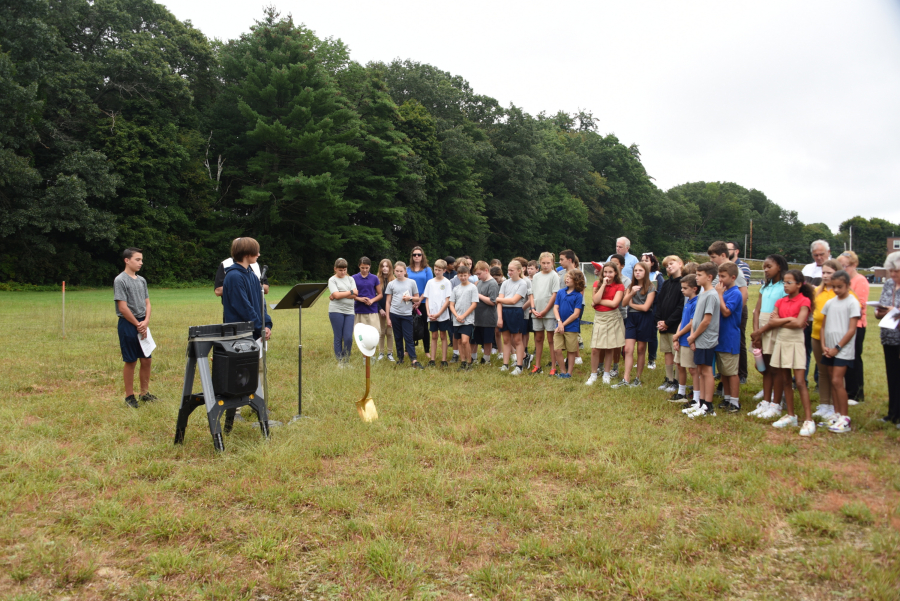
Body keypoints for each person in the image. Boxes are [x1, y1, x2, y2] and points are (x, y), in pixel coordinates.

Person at [222, 238, 273, 407]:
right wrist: (260, 327)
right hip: (239, 331)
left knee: (257, 368)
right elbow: (244, 307)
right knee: (239, 370)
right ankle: (234, 410)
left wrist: (267, 324)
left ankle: (257, 405)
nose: (258, 254)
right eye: (255, 251)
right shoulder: (234, 276)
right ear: (246, 253)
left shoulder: (252, 274)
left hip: (254, 331)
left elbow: (261, 303)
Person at [765, 270, 816, 435]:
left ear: (799, 284)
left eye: (789, 283)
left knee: (799, 381)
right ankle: (791, 415)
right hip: (781, 341)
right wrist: (788, 320)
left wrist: (781, 321)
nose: (785, 286)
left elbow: (800, 322)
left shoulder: (805, 301)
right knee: (785, 379)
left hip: (795, 342)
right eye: (784, 283)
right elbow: (772, 322)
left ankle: (808, 419)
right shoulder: (781, 301)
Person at [820, 270, 861, 434]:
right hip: (829, 349)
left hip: (842, 350)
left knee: (838, 381)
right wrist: (824, 346)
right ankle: (836, 414)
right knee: (832, 381)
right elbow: (823, 326)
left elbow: (851, 330)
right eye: (834, 286)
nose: (836, 290)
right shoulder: (830, 303)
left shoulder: (852, 303)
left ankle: (845, 418)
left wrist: (837, 348)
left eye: (840, 287)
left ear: (848, 285)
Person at [749, 255, 789, 418]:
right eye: (764, 267)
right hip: (761, 330)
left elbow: (779, 313)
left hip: (774, 329)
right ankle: (765, 402)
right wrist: (756, 332)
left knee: (775, 368)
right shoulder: (764, 287)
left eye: (769, 266)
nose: (765, 270)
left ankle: (776, 404)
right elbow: (757, 310)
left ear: (779, 267)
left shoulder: (783, 287)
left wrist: (761, 330)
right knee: (764, 368)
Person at [115, 247, 153, 408]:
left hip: (142, 324)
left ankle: (144, 393)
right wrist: (137, 324)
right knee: (131, 360)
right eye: (137, 259)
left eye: (141, 260)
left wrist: (145, 322)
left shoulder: (142, 280)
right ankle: (129, 397)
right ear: (127, 260)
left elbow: (147, 303)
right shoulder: (120, 280)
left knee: (146, 359)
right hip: (128, 324)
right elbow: (122, 307)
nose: (141, 263)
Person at [612, 261, 657, 388]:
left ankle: (637, 378)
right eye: (635, 270)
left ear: (646, 272)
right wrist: (631, 293)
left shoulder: (651, 288)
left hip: (645, 319)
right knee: (628, 349)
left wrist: (632, 304)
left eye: (640, 270)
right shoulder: (631, 286)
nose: (637, 273)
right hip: (631, 318)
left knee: (641, 349)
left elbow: (646, 307)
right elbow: (625, 303)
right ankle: (626, 379)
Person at [683, 262, 720, 417]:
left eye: (699, 275)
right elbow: (696, 318)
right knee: (700, 371)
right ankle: (701, 403)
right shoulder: (703, 294)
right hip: (698, 339)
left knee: (706, 371)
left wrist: (693, 336)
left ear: (709, 277)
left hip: (706, 339)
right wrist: (692, 337)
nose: (696, 277)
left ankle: (708, 406)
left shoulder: (711, 295)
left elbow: (706, 320)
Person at [810, 260, 841, 421]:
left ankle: (835, 406)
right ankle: (824, 404)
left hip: (833, 337)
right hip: (817, 335)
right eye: (823, 272)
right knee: (822, 371)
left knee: (833, 373)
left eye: (829, 272)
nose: (826, 275)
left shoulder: (839, 292)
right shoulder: (818, 291)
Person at [837, 250, 869, 404]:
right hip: (841, 324)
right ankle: (846, 390)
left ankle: (856, 393)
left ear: (854, 265)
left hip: (856, 325)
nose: (843, 270)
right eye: (840, 267)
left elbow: (860, 303)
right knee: (844, 358)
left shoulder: (860, 280)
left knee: (855, 359)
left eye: (846, 266)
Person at [587, 262, 625, 385]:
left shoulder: (619, 286)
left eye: (610, 272)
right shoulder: (597, 284)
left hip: (613, 317)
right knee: (595, 348)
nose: (607, 274)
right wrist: (603, 285)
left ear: (615, 273)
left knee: (610, 347)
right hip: (599, 317)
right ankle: (593, 374)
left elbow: (614, 304)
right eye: (605, 272)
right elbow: (595, 299)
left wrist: (598, 302)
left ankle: (606, 374)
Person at [874, 251, 900, 426]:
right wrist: (879, 311)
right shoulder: (889, 284)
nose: (892, 274)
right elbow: (882, 304)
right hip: (888, 336)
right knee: (892, 375)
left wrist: (895, 311)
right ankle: (892, 413)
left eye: (896, 271)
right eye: (891, 270)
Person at [802, 240, 832, 386]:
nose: (819, 257)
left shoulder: (834, 268)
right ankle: (801, 379)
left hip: (824, 317)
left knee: (821, 351)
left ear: (829, 252)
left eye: (822, 254)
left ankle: (820, 381)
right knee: (804, 349)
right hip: (807, 315)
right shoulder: (807, 269)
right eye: (815, 255)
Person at [714, 262, 743, 413]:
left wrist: (719, 294)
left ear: (733, 277)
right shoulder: (724, 291)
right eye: (719, 276)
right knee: (723, 371)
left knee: (731, 372)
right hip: (720, 338)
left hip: (729, 337)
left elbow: (726, 312)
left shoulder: (735, 293)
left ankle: (735, 401)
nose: (720, 279)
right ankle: (726, 398)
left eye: (723, 276)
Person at [385, 261, 424, 369]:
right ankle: (400, 358)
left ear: (405, 271)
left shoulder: (411, 282)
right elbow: (388, 301)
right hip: (394, 313)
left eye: (401, 271)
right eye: (397, 271)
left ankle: (413, 359)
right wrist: (388, 318)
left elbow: (417, 298)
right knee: (398, 337)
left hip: (407, 314)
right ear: (394, 271)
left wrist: (409, 298)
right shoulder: (391, 284)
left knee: (409, 337)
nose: (399, 273)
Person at [654, 255, 685, 393]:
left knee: (676, 353)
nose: (669, 267)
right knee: (667, 352)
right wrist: (660, 321)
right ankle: (669, 379)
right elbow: (659, 303)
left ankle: (677, 381)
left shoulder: (684, 283)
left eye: (671, 264)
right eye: (666, 266)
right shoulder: (666, 283)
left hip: (675, 325)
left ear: (680, 264)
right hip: (663, 325)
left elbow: (681, 307)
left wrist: (668, 322)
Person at [496, 260, 529, 375]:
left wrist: (499, 299)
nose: (509, 272)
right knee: (506, 340)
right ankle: (505, 365)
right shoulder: (505, 283)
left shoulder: (523, 284)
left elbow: (514, 300)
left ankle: (519, 366)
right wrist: (499, 318)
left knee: (517, 340)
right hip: (504, 312)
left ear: (519, 271)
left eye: (512, 270)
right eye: (508, 270)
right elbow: (499, 302)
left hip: (516, 312)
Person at [672, 275, 700, 407]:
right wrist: (677, 335)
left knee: (693, 369)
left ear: (694, 288)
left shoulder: (697, 302)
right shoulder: (688, 301)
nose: (682, 290)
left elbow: (691, 323)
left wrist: (679, 335)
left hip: (688, 340)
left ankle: (696, 396)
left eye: (685, 288)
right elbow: (683, 321)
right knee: (679, 365)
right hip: (681, 338)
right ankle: (681, 392)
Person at [726, 241, 752, 382]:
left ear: (736, 251)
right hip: (727, 306)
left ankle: (742, 373)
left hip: (739, 307)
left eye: (728, 248)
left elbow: (743, 290)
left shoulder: (743, 267)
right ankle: (727, 369)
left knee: (739, 340)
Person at [531, 252, 560, 375]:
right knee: (538, 338)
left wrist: (545, 310)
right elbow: (531, 293)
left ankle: (553, 366)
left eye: (548, 263)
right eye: (543, 263)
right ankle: (537, 365)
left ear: (552, 263)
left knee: (551, 339)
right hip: (536, 311)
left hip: (549, 313)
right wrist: (533, 308)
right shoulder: (536, 276)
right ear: (539, 263)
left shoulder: (554, 276)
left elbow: (555, 294)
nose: (546, 265)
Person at [554, 269, 585, 379]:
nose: (566, 279)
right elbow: (556, 308)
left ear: (576, 280)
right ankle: (562, 371)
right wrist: (559, 322)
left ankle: (569, 373)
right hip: (559, 326)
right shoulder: (561, 292)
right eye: (566, 276)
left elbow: (576, 314)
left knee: (571, 350)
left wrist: (563, 324)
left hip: (571, 327)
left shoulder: (578, 295)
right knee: (557, 349)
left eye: (570, 277)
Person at [422, 259, 453, 367]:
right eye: (435, 269)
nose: (437, 272)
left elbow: (447, 300)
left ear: (444, 270)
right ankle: (432, 359)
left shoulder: (447, 283)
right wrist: (428, 312)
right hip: (431, 314)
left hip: (442, 315)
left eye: (439, 270)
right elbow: (427, 299)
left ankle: (444, 360)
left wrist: (439, 313)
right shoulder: (430, 282)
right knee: (434, 335)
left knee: (443, 335)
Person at [327, 258, 357, 365]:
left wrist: (340, 294)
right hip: (336, 311)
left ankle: (346, 360)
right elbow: (336, 295)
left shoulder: (351, 279)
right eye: (340, 270)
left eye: (344, 270)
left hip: (349, 311)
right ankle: (340, 360)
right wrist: (349, 292)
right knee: (338, 336)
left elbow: (355, 294)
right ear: (335, 269)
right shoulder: (332, 280)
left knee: (348, 337)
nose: (343, 272)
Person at [450, 264, 479, 371]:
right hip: (457, 319)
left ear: (469, 275)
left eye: (465, 275)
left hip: (468, 319)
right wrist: (457, 316)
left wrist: (463, 315)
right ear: (458, 276)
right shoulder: (456, 289)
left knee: (465, 341)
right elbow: (451, 304)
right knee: (458, 341)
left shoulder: (473, 287)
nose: (463, 277)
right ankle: (462, 362)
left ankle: (469, 362)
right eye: (461, 275)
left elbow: (474, 304)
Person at [407, 246, 434, 356]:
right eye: (414, 255)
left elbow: (429, 286)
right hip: (409, 301)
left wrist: (419, 300)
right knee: (409, 326)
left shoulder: (427, 270)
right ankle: (407, 350)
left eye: (419, 254)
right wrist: (412, 300)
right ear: (412, 257)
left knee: (424, 327)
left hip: (423, 302)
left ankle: (427, 350)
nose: (417, 256)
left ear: (422, 256)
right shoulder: (407, 269)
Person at [609, 254, 631, 378]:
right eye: (611, 262)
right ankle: (602, 365)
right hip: (607, 315)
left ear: (622, 266)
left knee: (618, 343)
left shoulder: (626, 281)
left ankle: (615, 367)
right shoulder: (605, 279)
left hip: (621, 315)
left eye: (616, 263)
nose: (613, 265)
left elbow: (623, 301)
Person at [641, 252, 664, 369]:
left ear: (652, 262)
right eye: (642, 260)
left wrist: (650, 296)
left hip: (653, 308)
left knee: (652, 334)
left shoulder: (657, 276)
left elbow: (661, 293)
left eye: (646, 260)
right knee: (641, 334)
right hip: (640, 307)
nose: (643, 262)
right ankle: (641, 359)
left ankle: (651, 359)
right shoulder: (639, 274)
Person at [473, 261, 499, 364]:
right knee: (474, 339)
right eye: (477, 274)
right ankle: (473, 357)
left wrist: (478, 295)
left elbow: (493, 301)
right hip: (477, 316)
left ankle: (486, 359)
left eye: (479, 274)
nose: (478, 276)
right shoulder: (479, 282)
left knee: (487, 340)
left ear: (486, 271)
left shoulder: (492, 283)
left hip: (488, 317)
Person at [352, 257, 382, 330]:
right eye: (362, 268)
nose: (365, 270)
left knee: (374, 333)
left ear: (370, 266)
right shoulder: (353, 278)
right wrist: (360, 299)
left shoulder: (374, 278)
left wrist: (372, 300)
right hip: (359, 310)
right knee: (361, 335)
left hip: (372, 310)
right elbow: (350, 294)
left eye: (367, 268)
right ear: (359, 266)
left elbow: (380, 294)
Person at [376, 259, 395, 361]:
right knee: (381, 332)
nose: (385, 268)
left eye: (387, 266)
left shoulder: (394, 280)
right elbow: (374, 296)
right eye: (383, 266)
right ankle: (381, 352)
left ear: (390, 268)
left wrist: (390, 310)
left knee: (389, 332)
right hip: (380, 310)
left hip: (391, 311)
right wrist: (380, 309)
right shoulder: (377, 280)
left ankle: (390, 353)